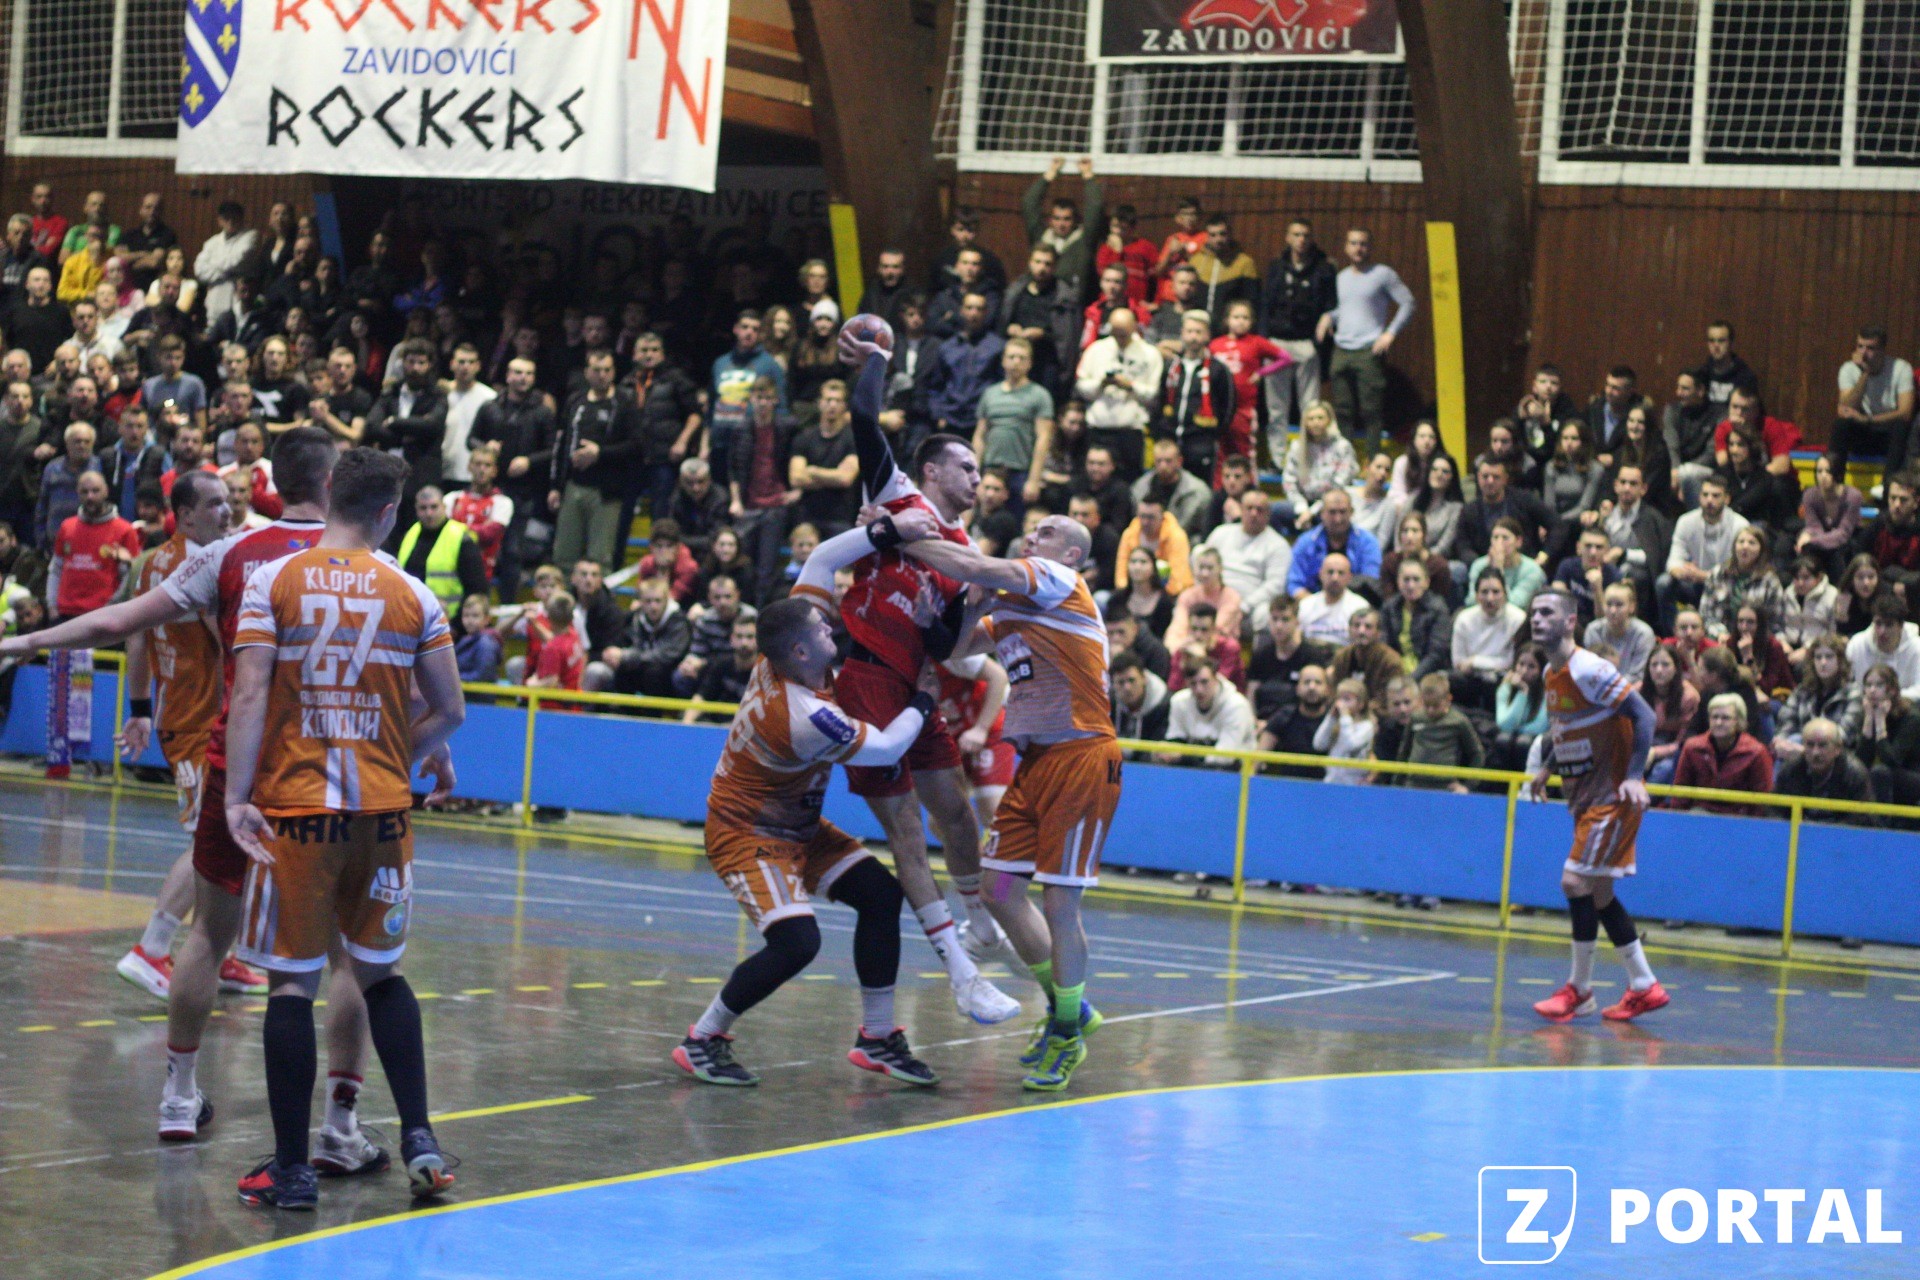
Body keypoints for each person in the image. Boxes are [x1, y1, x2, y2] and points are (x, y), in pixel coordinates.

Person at [0, 429, 394, 1163]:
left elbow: (120, 620)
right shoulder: (375, 566)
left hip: (237, 769)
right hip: (329, 775)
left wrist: (25, 643)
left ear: (274, 479)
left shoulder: (230, 555)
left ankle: (179, 1096)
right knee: (345, 954)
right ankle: (340, 1127)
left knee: (209, 935)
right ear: (333, 482)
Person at [219, 447, 462, 1209]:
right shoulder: (414, 593)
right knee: (380, 975)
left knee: (292, 986)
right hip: (382, 816)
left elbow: (249, 694)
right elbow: (449, 709)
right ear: (389, 512)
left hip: (298, 814)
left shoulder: (273, 582)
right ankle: (420, 1139)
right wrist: (402, 755)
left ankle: (293, 1172)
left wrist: (237, 798)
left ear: (329, 495)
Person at [790, 318, 1022, 1025]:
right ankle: (961, 975)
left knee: (956, 810)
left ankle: (979, 922)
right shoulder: (896, 493)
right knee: (907, 832)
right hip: (867, 678)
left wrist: (974, 603)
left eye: (980, 472)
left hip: (916, 683)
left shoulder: (962, 547)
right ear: (932, 471)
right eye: (968, 468)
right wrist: (878, 357)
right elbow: (865, 418)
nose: (978, 479)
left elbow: (946, 643)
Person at [893, 504, 1123, 1092]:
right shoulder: (1014, 607)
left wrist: (897, 538)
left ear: (1071, 554)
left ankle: (1066, 1033)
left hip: (1082, 755)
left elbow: (977, 565)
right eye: (1034, 528)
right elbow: (954, 650)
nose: (1033, 534)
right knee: (997, 888)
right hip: (1036, 761)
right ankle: (1072, 1008)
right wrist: (970, 605)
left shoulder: (1059, 580)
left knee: (1060, 903)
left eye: (1047, 531)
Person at [112, 472, 247, 999]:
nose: (227, 511)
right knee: (207, 841)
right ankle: (151, 949)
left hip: (186, 716)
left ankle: (217, 953)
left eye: (228, 501)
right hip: (198, 723)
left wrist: (139, 709)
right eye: (215, 504)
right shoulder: (200, 565)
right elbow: (231, 636)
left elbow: (136, 639)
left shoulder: (152, 562)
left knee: (228, 839)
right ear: (185, 515)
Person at [1526, 588, 1669, 1024]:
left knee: (1574, 882)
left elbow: (1644, 716)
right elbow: (1569, 727)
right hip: (1585, 797)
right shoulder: (1552, 674)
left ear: (1571, 621)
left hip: (1611, 797)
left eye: (1547, 612)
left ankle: (1579, 989)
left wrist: (1634, 776)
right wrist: (1548, 767)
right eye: (1533, 612)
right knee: (1600, 892)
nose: (1537, 619)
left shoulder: (1588, 667)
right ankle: (1643, 984)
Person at [1316, 228, 1414, 456]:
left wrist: (1390, 333)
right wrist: (1328, 317)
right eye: (1353, 243)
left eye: (1363, 244)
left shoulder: (1383, 274)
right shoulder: (1341, 277)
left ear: (1370, 247)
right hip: (1341, 349)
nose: (1358, 248)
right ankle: (1344, 460)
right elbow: (1346, 310)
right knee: (1342, 410)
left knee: (1372, 410)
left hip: (1369, 350)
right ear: (1346, 247)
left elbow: (1408, 303)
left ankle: (1373, 461)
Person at [549, 350, 639, 571]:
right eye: (597, 370)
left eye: (607, 370)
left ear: (614, 372)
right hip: (573, 485)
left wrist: (600, 452)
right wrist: (555, 486)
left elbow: (636, 445)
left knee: (600, 557)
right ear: (587, 372)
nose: (602, 375)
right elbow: (561, 445)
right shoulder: (575, 401)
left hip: (606, 492)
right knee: (563, 555)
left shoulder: (624, 402)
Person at [1259, 218, 1335, 447]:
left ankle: (1309, 453)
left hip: (1306, 343)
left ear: (1311, 239)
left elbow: (1330, 306)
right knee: (1276, 407)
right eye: (1296, 234)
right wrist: (1264, 341)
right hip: (1277, 343)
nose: (1301, 239)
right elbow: (1266, 304)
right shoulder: (1277, 266)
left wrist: (1316, 343)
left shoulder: (1323, 269)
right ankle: (1277, 456)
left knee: (1310, 407)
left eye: (1305, 235)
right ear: (1288, 238)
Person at [1073, 307, 1162, 478]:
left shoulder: (1150, 354)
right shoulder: (1096, 350)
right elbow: (1082, 387)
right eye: (1116, 333)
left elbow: (1153, 395)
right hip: (1099, 429)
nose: (1120, 338)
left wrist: (1130, 386)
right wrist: (1101, 383)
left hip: (1130, 431)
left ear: (1134, 327)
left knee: (1129, 479)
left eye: (1124, 333)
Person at [932, 653, 1014, 832]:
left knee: (993, 810)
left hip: (987, 729)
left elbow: (998, 676)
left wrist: (981, 729)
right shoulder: (899, 668)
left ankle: (1017, 847)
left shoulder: (945, 650)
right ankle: (975, 851)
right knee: (942, 822)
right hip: (952, 741)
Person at [974, 339, 1055, 509]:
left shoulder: (1040, 395)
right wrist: (973, 474)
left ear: (1030, 363)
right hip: (990, 469)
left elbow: (1043, 438)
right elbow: (980, 436)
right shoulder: (990, 394)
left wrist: (1034, 479)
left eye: (1022, 358)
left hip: (1020, 472)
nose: (1016, 362)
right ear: (1003, 360)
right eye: (1011, 357)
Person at [49, 470, 140, 619]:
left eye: (95, 491)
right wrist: (52, 605)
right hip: (66, 612)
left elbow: (131, 576)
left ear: (106, 492)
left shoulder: (124, 530)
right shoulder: (67, 527)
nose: (90, 496)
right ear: (78, 493)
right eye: (84, 492)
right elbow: (56, 569)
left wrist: (112, 608)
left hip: (103, 614)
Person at [1158, 311, 1236, 485]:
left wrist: (1211, 435)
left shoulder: (1218, 369)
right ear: (1182, 333)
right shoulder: (1171, 367)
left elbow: (1228, 407)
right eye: (1189, 331)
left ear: (1207, 335)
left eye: (1198, 332)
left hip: (1201, 442)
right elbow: (1160, 400)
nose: (1193, 337)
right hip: (1170, 439)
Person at [1831, 325, 1916, 484]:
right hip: (1863, 435)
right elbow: (1845, 410)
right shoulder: (1848, 369)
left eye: (1870, 348)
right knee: (1841, 424)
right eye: (1860, 346)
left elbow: (1905, 413)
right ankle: (1834, 484)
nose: (1863, 353)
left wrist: (1869, 419)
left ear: (1882, 350)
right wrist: (1865, 373)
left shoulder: (1901, 368)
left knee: (1901, 427)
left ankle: (1888, 489)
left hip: (1889, 434)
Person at [1670, 692, 1775, 816]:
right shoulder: (1692, 748)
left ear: (1739, 721)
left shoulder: (1757, 752)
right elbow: (1680, 794)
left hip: (1740, 819)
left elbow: (1763, 801)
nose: (1718, 722)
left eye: (1725, 718)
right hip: (1700, 816)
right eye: (1714, 717)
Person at [1023, 156, 1104, 303]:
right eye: (1057, 218)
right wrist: (1050, 173)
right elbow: (1029, 204)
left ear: (1075, 221)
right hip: (1041, 303)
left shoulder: (1085, 241)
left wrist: (1088, 175)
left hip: (1073, 306)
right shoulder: (1041, 238)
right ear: (1050, 220)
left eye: (1067, 219)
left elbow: (1095, 207)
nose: (1061, 224)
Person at [396, 486, 487, 613]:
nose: (429, 513)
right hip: (412, 615)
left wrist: (460, 621)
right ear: (416, 509)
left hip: (450, 619)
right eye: (423, 508)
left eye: (434, 507)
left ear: (444, 507)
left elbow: (476, 589)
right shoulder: (409, 535)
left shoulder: (461, 538)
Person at [1773, 635, 1861, 764]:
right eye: (1818, 657)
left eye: (1829, 657)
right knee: (1786, 745)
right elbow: (1786, 720)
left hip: (1838, 757)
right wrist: (1781, 742)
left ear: (1840, 661)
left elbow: (1843, 736)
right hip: (1799, 750)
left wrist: (1805, 752)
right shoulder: (1803, 690)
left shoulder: (1853, 693)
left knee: (1795, 740)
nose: (1823, 662)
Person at [1452, 567, 1527, 709]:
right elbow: (1458, 662)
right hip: (1471, 680)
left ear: (1505, 593)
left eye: (1496, 592)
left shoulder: (1518, 619)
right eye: (1484, 592)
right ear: (1476, 596)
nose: (1490, 598)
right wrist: (1489, 665)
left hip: (1502, 680)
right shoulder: (1464, 619)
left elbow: (1512, 662)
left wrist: (1475, 661)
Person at [1287, 487, 1382, 598]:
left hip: (1356, 603)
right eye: (1332, 512)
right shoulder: (1305, 542)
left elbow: (1370, 582)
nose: (1338, 519)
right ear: (1322, 513)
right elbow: (1294, 584)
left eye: (1343, 512)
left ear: (1352, 512)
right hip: (1312, 602)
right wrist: (1314, 604)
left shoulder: (1368, 542)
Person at [1167, 651, 1260, 766]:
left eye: (1204, 682)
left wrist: (1183, 757)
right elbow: (1175, 740)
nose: (1199, 690)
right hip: (1191, 768)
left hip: (1235, 771)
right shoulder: (1179, 702)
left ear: (1216, 678)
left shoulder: (1237, 706)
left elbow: (1224, 758)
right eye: (1193, 684)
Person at [1280, 400, 1358, 531]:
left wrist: (1313, 511)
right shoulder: (1297, 447)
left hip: (1332, 504)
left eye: (1320, 418)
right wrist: (1302, 508)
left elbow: (1339, 485)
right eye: (1311, 419)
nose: (1315, 422)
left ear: (1329, 420)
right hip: (1302, 503)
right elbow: (1289, 482)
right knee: (1275, 511)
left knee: (1330, 515)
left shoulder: (1342, 447)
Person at [1774, 717, 1875, 814]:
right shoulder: (1790, 769)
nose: (1815, 753)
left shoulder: (1855, 774)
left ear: (1837, 748)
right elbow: (1775, 811)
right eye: (1810, 745)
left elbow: (1863, 818)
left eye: (1822, 745)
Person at [1857, 663, 1920, 806]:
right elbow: (1861, 762)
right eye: (1868, 685)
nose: (1872, 690)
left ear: (1892, 690)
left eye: (1879, 685)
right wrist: (1868, 721)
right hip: (1882, 776)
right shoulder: (1867, 713)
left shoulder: (1911, 718)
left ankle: (1880, 820)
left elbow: (1892, 761)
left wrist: (1880, 724)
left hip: (1912, 776)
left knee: (1879, 772)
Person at [1797, 451, 1865, 582]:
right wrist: (1807, 537)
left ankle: (1840, 587)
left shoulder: (1853, 496)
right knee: (1804, 549)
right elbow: (1813, 527)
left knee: (1833, 552)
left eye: (1828, 471)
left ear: (1837, 472)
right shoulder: (1810, 495)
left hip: (1848, 541)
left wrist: (1812, 541)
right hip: (1822, 539)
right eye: (1819, 471)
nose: (1823, 476)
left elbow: (1844, 533)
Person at [1381, 558, 1452, 679]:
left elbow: (1436, 655)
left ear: (1426, 582)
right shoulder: (1389, 607)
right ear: (1398, 582)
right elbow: (1384, 646)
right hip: (1395, 672)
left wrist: (1411, 679)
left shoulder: (1438, 609)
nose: (1411, 585)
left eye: (1416, 579)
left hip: (1427, 675)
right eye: (1406, 580)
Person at [1846, 593, 1920, 700]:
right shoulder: (1857, 645)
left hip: (1905, 705)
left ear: (1900, 626)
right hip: (1863, 703)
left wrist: (1887, 697)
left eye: (1889, 625)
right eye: (1878, 623)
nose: (1882, 631)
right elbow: (1847, 685)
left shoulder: (1917, 648)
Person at [1641, 645, 1698, 783]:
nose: (1659, 670)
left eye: (1665, 665)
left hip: (1673, 750)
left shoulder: (1689, 697)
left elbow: (1684, 742)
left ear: (1676, 668)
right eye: (1654, 665)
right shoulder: (1637, 691)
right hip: (1643, 745)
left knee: (1664, 769)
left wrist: (1655, 752)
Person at [1467, 517, 1546, 613]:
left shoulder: (1532, 570)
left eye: (1505, 538)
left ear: (1518, 541)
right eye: (1495, 537)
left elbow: (1515, 604)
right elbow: (1471, 601)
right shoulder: (1478, 565)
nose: (1499, 543)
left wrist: (1498, 570)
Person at [1493, 643, 1550, 771]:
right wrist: (1522, 693)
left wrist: (1516, 730)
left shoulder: (1548, 691)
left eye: (1531, 666)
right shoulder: (1505, 688)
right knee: (1503, 739)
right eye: (1521, 664)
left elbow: (1540, 726)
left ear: (1541, 669)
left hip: (1535, 739)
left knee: (1523, 742)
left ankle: (1527, 781)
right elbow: (1504, 724)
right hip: (1513, 736)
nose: (1524, 671)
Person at [1584, 582, 1656, 683]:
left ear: (1632, 607)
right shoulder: (1593, 630)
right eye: (1608, 604)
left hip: (1631, 688)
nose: (1613, 611)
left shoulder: (1643, 634)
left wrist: (1615, 687)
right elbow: (1591, 669)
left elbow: (1638, 675)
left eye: (1619, 605)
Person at [1312, 676, 1374, 785]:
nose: (1341, 704)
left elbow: (1351, 744)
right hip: (1331, 782)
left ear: (1361, 704)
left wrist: (1345, 716)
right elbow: (1319, 744)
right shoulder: (1337, 723)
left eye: (1347, 699)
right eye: (1339, 699)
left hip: (1354, 785)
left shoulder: (1366, 726)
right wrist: (1331, 718)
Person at [1299, 552, 1365, 646]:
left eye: (1341, 573)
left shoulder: (1360, 607)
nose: (1335, 578)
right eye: (1330, 572)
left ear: (1350, 577)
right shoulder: (1305, 605)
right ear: (1320, 574)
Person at [1109, 650, 1170, 742]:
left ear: (1144, 678)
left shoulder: (1164, 706)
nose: (1127, 688)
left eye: (1132, 680)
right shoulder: (1108, 703)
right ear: (1113, 684)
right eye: (1121, 682)